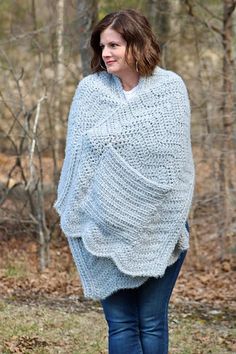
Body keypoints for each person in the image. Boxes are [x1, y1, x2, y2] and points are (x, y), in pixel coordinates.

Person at [54, 8, 195, 354]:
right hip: (102, 229)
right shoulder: (91, 91)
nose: (106, 53)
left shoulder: (169, 89)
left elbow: (173, 161)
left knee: (151, 322)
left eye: (115, 44)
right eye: (102, 46)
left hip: (158, 226)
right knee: (121, 325)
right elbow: (78, 158)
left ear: (137, 43)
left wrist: (112, 148)